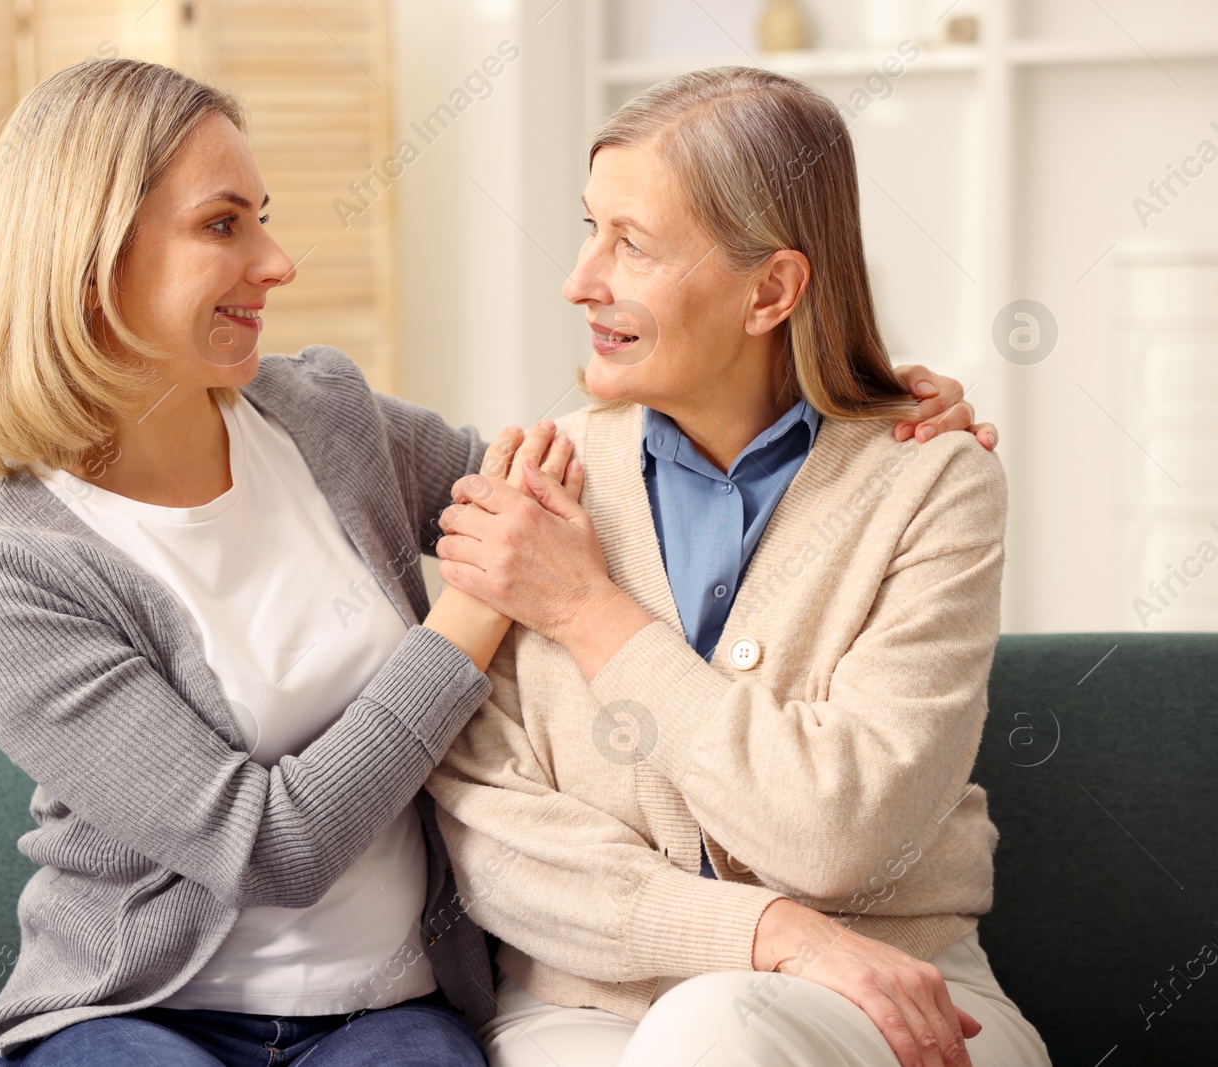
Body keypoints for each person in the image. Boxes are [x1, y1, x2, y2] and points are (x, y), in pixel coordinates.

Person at [0, 58, 990, 1066]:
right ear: (94, 259)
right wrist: (474, 611)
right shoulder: (10, 570)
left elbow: (599, 484)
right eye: (222, 225)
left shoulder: (323, 416)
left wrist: (847, 385)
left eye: (264, 219)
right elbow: (270, 844)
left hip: (385, 1006)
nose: (277, 263)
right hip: (143, 1004)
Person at [428, 67, 1050, 1067]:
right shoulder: (533, 487)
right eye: (589, 228)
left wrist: (590, 612)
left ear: (770, 289)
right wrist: (762, 933)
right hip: (583, 1012)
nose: (579, 278)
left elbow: (838, 834)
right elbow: (498, 845)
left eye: (632, 244)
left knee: (719, 1027)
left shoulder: (929, 481)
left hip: (891, 1000)